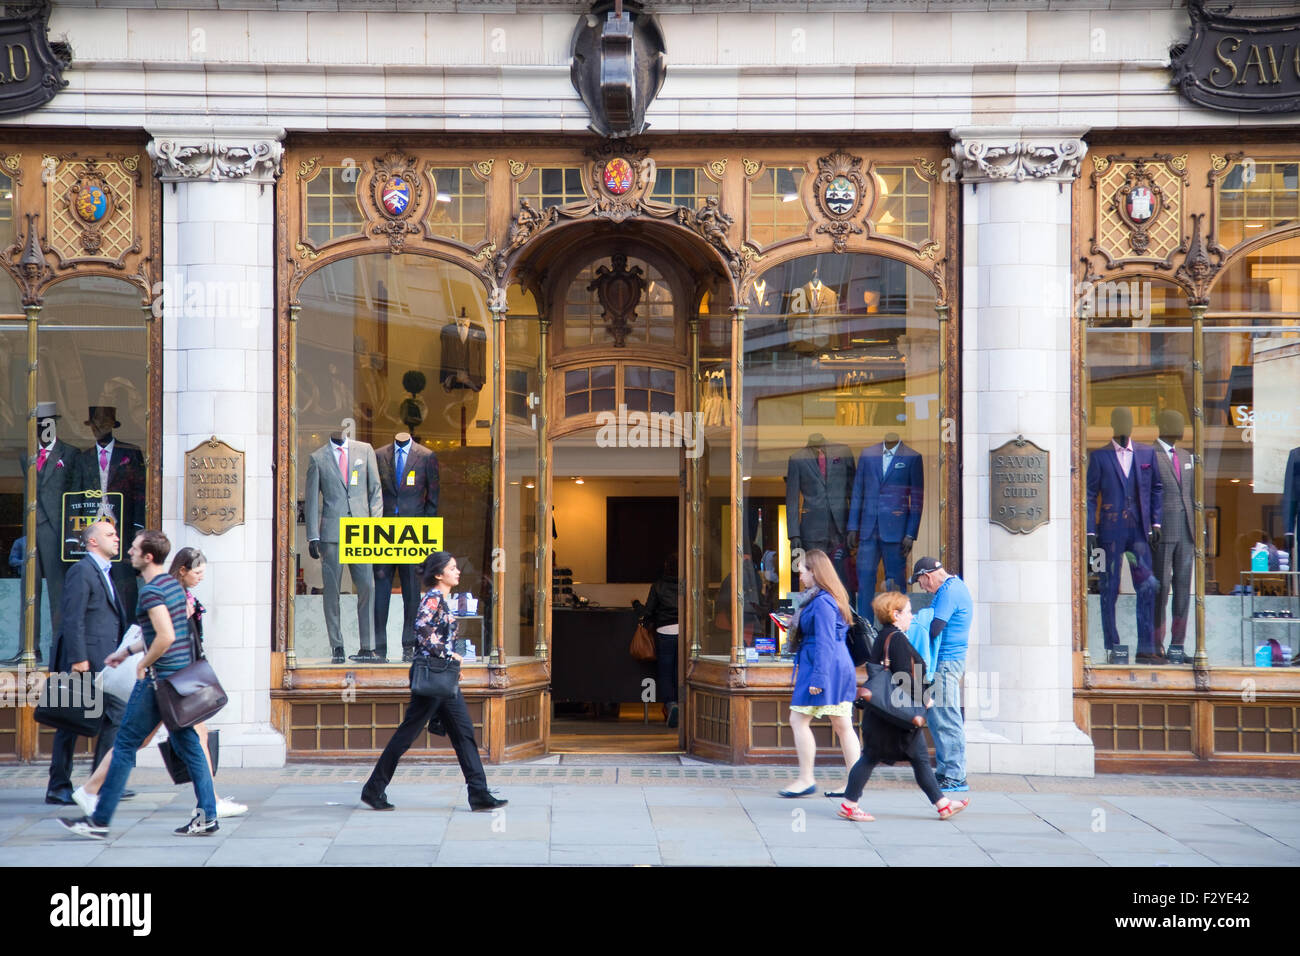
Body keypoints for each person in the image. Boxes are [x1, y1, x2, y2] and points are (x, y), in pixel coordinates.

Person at [58, 530, 218, 840]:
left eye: (133, 548)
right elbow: (163, 630)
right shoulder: (172, 586)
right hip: (179, 681)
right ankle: (207, 816)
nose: (128, 551)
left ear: (147, 556)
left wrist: (143, 664)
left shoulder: (151, 591)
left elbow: (166, 636)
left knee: (126, 743)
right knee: (190, 746)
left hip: (159, 682)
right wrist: (126, 652)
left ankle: (100, 820)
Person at [70, 548, 247, 820]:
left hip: (176, 678)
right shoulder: (167, 594)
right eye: (197, 573)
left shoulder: (175, 593)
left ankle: (209, 803)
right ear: (182, 570)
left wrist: (129, 653)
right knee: (144, 740)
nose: (201, 578)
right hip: (170, 680)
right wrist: (136, 659)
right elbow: (160, 636)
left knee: (156, 739)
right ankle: (93, 795)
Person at [360, 551, 507, 813]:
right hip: (431, 678)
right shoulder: (432, 598)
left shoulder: (444, 599)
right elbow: (421, 630)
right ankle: (373, 789)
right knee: (406, 735)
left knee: (463, 734)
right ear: (439, 575)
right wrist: (450, 656)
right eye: (452, 568)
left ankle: (479, 793)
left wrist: (451, 665)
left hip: (442, 677)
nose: (457, 571)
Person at [837, 591, 969, 822]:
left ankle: (943, 804)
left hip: (886, 713)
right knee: (874, 757)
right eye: (908, 612)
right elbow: (902, 675)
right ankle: (849, 804)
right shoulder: (895, 639)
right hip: (893, 714)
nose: (912, 616)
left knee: (911, 758)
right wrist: (924, 697)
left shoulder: (887, 636)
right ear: (895, 614)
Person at [45, 519, 129, 807]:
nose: (116, 538)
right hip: (83, 661)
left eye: (116, 534)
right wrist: (78, 658)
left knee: (113, 719)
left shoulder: (105, 571)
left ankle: (100, 781)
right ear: (93, 541)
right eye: (110, 534)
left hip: (103, 661)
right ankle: (59, 786)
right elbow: (72, 616)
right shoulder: (82, 571)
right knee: (69, 723)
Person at [779, 549, 861, 798]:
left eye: (803, 570)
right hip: (833, 666)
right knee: (842, 724)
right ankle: (852, 783)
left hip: (823, 667)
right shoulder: (823, 598)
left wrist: (818, 679)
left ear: (815, 571)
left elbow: (825, 641)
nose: (800, 575)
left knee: (799, 720)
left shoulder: (822, 602)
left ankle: (806, 779)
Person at [909, 556, 973, 794]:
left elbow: (935, 627)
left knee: (947, 718)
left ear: (927, 576)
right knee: (938, 717)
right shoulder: (950, 588)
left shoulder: (949, 591)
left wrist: (916, 620)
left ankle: (956, 776)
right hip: (944, 661)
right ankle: (946, 772)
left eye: (921, 583)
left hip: (946, 662)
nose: (923, 588)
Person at [642, 554, 680, 727]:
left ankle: (670, 704)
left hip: (664, 631)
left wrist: (636, 606)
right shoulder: (684, 586)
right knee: (678, 670)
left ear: (666, 566)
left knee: (665, 672)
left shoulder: (658, 586)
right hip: (683, 631)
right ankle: (682, 705)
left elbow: (648, 612)